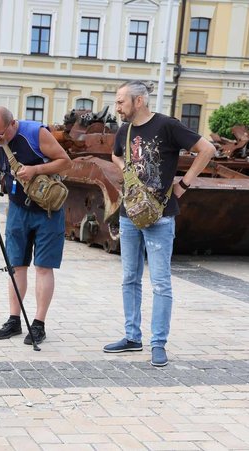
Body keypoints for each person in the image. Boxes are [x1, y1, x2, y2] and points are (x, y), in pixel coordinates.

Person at [104, 80, 215, 367]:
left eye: (121, 102)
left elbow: (207, 149)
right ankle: (131, 337)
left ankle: (158, 343)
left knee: (161, 283)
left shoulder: (168, 126)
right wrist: (125, 169)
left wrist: (184, 185)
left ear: (138, 101)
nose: (117, 107)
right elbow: (115, 154)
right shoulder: (124, 130)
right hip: (130, 215)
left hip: (161, 217)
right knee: (129, 278)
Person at [0, 106, 72, 345]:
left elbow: (65, 162)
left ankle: (39, 323)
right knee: (16, 266)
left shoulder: (35, 133)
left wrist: (35, 169)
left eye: (0, 134)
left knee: (43, 267)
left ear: (13, 124)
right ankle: (14, 319)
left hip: (48, 210)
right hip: (17, 210)